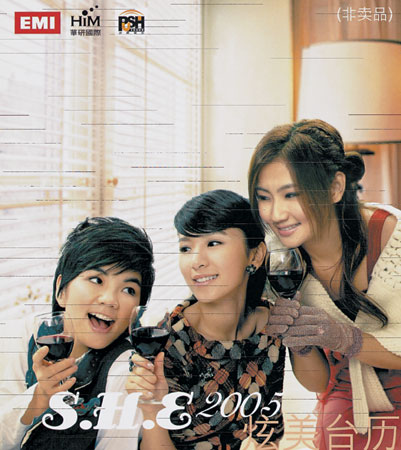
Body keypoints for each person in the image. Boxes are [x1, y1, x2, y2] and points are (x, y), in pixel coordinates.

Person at [248, 118, 401, 449]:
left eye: (291, 194)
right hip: (345, 403)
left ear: (334, 187)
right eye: (264, 197)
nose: (276, 213)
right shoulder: (281, 264)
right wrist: (300, 344)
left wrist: (344, 337)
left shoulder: (392, 236)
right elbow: (318, 383)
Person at [126, 189, 285, 449]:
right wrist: (151, 409)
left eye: (213, 243)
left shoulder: (277, 327)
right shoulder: (167, 343)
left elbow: (275, 428)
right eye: (186, 248)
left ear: (255, 255)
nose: (196, 262)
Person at [0, 217, 155, 450]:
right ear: (61, 290)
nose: (110, 300)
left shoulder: (126, 370)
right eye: (96, 279)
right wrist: (37, 399)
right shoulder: (18, 338)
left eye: (128, 289)